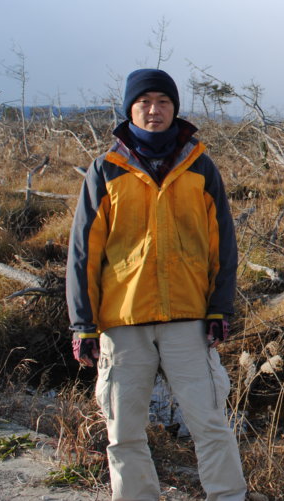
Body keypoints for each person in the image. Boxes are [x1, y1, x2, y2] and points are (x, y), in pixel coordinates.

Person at [66, 68, 247, 501]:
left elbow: (223, 245)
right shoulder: (105, 170)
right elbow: (83, 254)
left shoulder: (200, 166)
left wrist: (219, 308)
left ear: (174, 108)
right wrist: (82, 324)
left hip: (188, 316)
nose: (154, 110)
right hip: (122, 319)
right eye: (144, 101)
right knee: (124, 431)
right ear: (129, 108)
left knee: (209, 422)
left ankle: (229, 496)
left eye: (163, 102)